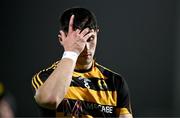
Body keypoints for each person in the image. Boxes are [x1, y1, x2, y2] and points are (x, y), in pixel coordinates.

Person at [32, 7, 133, 117]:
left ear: (97, 33)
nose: (86, 48)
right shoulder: (46, 77)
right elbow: (50, 100)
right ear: (62, 39)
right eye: (78, 41)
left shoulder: (115, 82)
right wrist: (71, 52)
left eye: (90, 38)